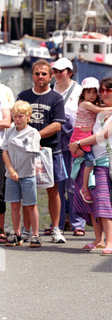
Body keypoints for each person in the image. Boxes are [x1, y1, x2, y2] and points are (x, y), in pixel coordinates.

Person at [69, 77, 112, 255]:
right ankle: (98, 240)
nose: (104, 93)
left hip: (103, 162)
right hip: (90, 160)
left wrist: (78, 144)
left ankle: (110, 242)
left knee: (103, 202)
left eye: (109, 90)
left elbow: (103, 135)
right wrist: (79, 146)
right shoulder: (102, 111)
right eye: (102, 90)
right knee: (91, 202)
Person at [17, 59, 67, 244]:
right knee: (27, 191)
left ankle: (55, 228)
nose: (40, 77)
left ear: (50, 75)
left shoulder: (56, 98)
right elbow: (18, 120)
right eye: (37, 73)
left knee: (53, 191)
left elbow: (57, 125)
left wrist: (35, 135)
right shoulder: (23, 96)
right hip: (27, 152)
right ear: (32, 75)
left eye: (44, 74)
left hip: (50, 151)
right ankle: (27, 230)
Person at [70, 77, 112, 204]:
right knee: (91, 161)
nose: (92, 95)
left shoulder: (92, 104)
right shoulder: (84, 103)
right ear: (83, 93)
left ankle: (86, 184)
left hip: (86, 135)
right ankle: (85, 187)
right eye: (89, 92)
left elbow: (101, 107)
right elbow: (99, 110)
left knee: (88, 160)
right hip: (80, 135)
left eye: (94, 92)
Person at [52, 57, 85, 236]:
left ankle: (77, 223)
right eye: (55, 71)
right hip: (55, 143)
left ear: (70, 72)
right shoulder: (50, 90)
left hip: (74, 144)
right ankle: (56, 223)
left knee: (74, 185)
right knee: (56, 185)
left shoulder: (79, 91)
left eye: (61, 71)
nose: (58, 74)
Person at [2, 101, 41, 248]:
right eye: (15, 116)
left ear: (28, 116)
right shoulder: (10, 131)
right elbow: (5, 151)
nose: (17, 120)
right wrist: (11, 170)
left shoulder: (33, 133)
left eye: (21, 116)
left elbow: (30, 151)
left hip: (27, 173)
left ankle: (35, 234)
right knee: (14, 204)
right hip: (12, 174)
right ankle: (16, 233)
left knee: (31, 205)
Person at [0, 88, 11, 245]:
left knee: (0, 191)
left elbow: (7, 121)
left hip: (0, 147)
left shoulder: (2, 91)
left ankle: (0, 228)